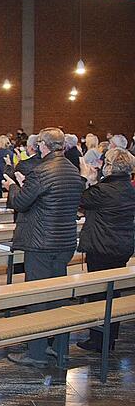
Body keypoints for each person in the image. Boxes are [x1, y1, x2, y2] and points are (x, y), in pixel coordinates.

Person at [3, 127, 85, 368]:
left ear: (42, 145)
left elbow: (20, 202)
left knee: (38, 296)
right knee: (58, 295)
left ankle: (36, 352)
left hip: (40, 242)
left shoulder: (41, 172)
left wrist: (13, 186)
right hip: (64, 241)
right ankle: (59, 347)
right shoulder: (72, 170)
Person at [76, 149, 135, 352]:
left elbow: (82, 199)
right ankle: (109, 338)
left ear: (109, 167)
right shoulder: (129, 187)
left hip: (102, 248)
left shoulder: (104, 190)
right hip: (121, 246)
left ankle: (98, 340)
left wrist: (87, 178)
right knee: (113, 293)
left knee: (99, 294)